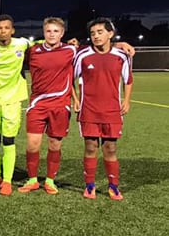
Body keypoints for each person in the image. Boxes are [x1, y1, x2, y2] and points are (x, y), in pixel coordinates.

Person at [74, 18, 133, 201]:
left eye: (100, 32)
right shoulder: (82, 55)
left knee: (110, 148)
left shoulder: (121, 55)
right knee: (91, 147)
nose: (96, 36)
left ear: (110, 33)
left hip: (112, 110)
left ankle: (113, 186)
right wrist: (75, 99)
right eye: (92, 33)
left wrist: (127, 100)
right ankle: (89, 185)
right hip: (89, 109)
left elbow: (128, 80)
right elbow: (70, 79)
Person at [18, 18, 77, 195]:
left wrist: (120, 43)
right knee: (32, 144)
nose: (52, 34)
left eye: (55, 31)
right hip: (37, 104)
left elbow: (97, 49)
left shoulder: (71, 50)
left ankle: (50, 180)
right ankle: (33, 179)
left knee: (54, 144)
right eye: (48, 31)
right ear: (44, 33)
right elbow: (11, 53)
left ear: (62, 33)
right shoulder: (33, 51)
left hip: (60, 105)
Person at [0, 14, 31, 196]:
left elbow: (46, 44)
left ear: (12, 30)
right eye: (0, 28)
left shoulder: (22, 44)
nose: (3, 31)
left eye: (6, 28)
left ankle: (7, 180)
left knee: (9, 141)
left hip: (12, 100)